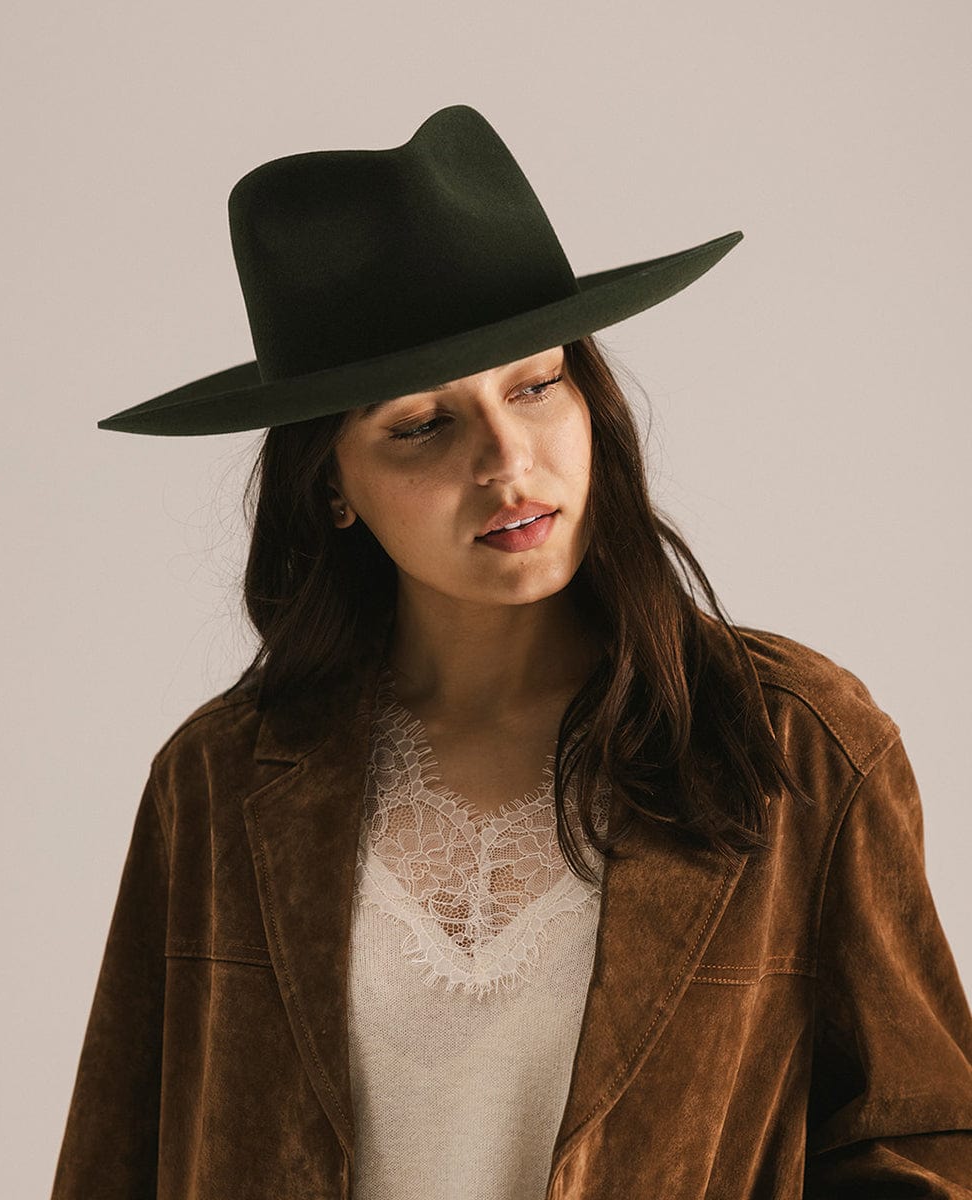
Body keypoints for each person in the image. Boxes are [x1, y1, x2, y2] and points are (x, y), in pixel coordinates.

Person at [50, 105, 972, 1199]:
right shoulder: (222, 780)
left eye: (536, 385)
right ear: (332, 487)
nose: (505, 459)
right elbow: (117, 1157)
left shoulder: (790, 746)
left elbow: (925, 1139)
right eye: (420, 424)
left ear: (592, 402)